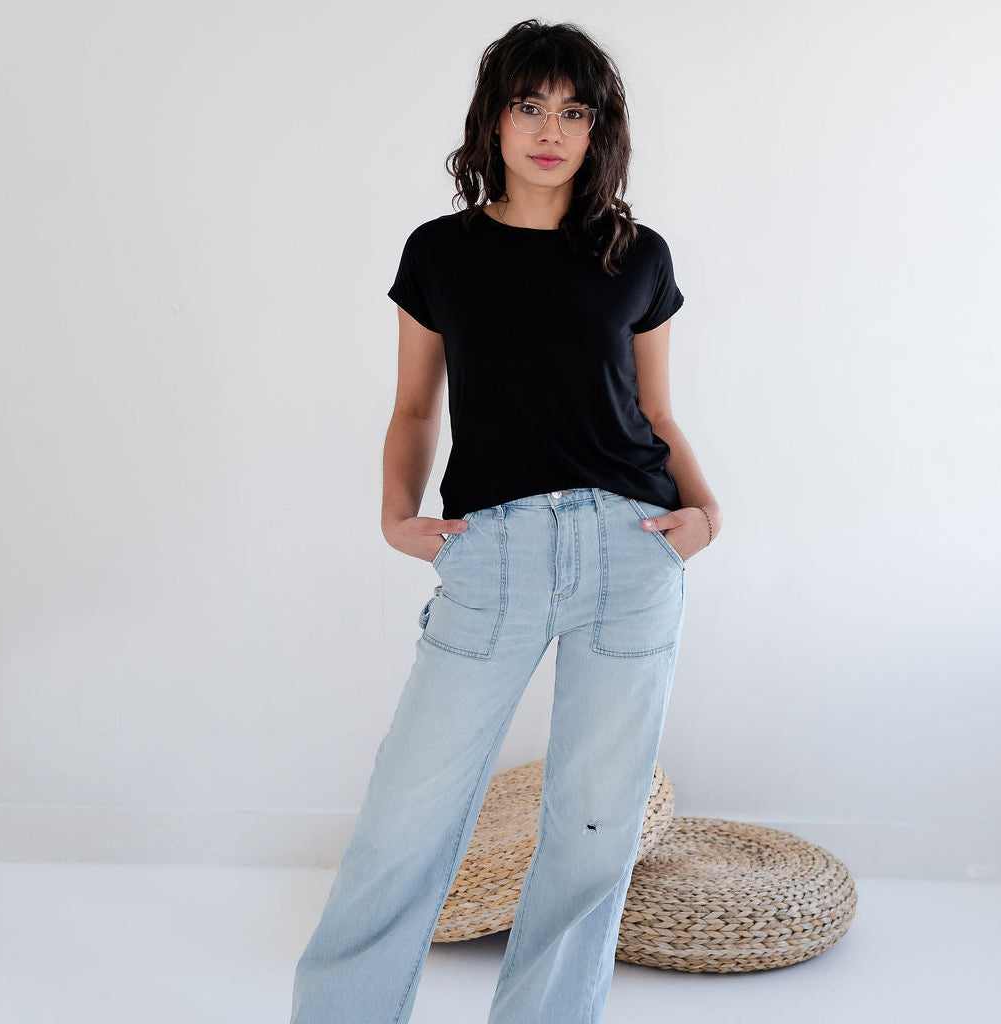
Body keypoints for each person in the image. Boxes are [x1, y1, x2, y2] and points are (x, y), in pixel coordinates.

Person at [289, 18, 722, 1024]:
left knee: (594, 827)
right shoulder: (440, 252)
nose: (549, 130)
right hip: (493, 555)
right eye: (530, 105)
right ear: (494, 118)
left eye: (574, 111)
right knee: (404, 817)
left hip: (631, 548)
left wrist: (705, 512)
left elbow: (656, 414)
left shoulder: (636, 255)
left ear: (599, 130)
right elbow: (414, 407)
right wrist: (396, 515)